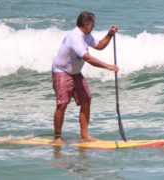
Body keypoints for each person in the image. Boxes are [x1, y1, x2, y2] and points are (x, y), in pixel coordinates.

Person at [51, 11, 119, 144]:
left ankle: (84, 135)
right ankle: (57, 137)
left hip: (75, 73)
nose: (94, 27)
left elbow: (99, 46)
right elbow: (88, 58)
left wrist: (110, 34)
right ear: (87, 25)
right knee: (62, 104)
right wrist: (108, 66)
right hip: (61, 71)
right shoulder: (75, 37)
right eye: (93, 24)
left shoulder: (86, 35)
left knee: (86, 100)